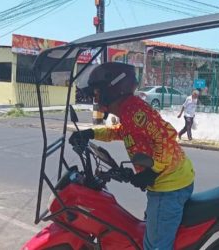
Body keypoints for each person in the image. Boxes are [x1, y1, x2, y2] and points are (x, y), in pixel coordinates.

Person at [69, 62, 195, 249]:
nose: (95, 97)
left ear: (112, 89)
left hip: (168, 186)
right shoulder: (128, 110)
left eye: (97, 92)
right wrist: (91, 133)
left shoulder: (134, 110)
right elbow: (122, 131)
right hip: (168, 180)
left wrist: (153, 171)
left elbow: (166, 136)